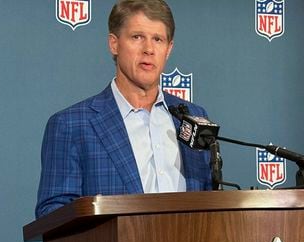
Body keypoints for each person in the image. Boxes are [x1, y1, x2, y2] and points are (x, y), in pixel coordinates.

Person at [35, 0, 212, 218]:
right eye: (137, 37)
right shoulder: (71, 125)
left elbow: (210, 201)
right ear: (114, 44)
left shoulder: (193, 118)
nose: (148, 49)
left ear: (168, 49)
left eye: (158, 39)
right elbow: (53, 214)